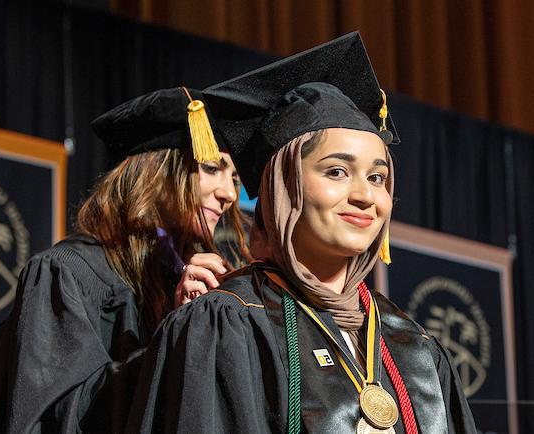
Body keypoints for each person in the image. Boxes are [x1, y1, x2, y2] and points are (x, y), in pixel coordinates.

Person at [121, 33, 478, 433]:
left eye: (378, 177)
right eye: (337, 172)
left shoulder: (413, 343)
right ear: (283, 188)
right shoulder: (231, 322)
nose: (365, 195)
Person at [0, 87, 249, 433]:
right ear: (155, 171)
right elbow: (57, 420)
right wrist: (174, 339)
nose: (229, 194)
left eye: (234, 178)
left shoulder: (181, 283)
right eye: (211, 168)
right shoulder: (68, 274)